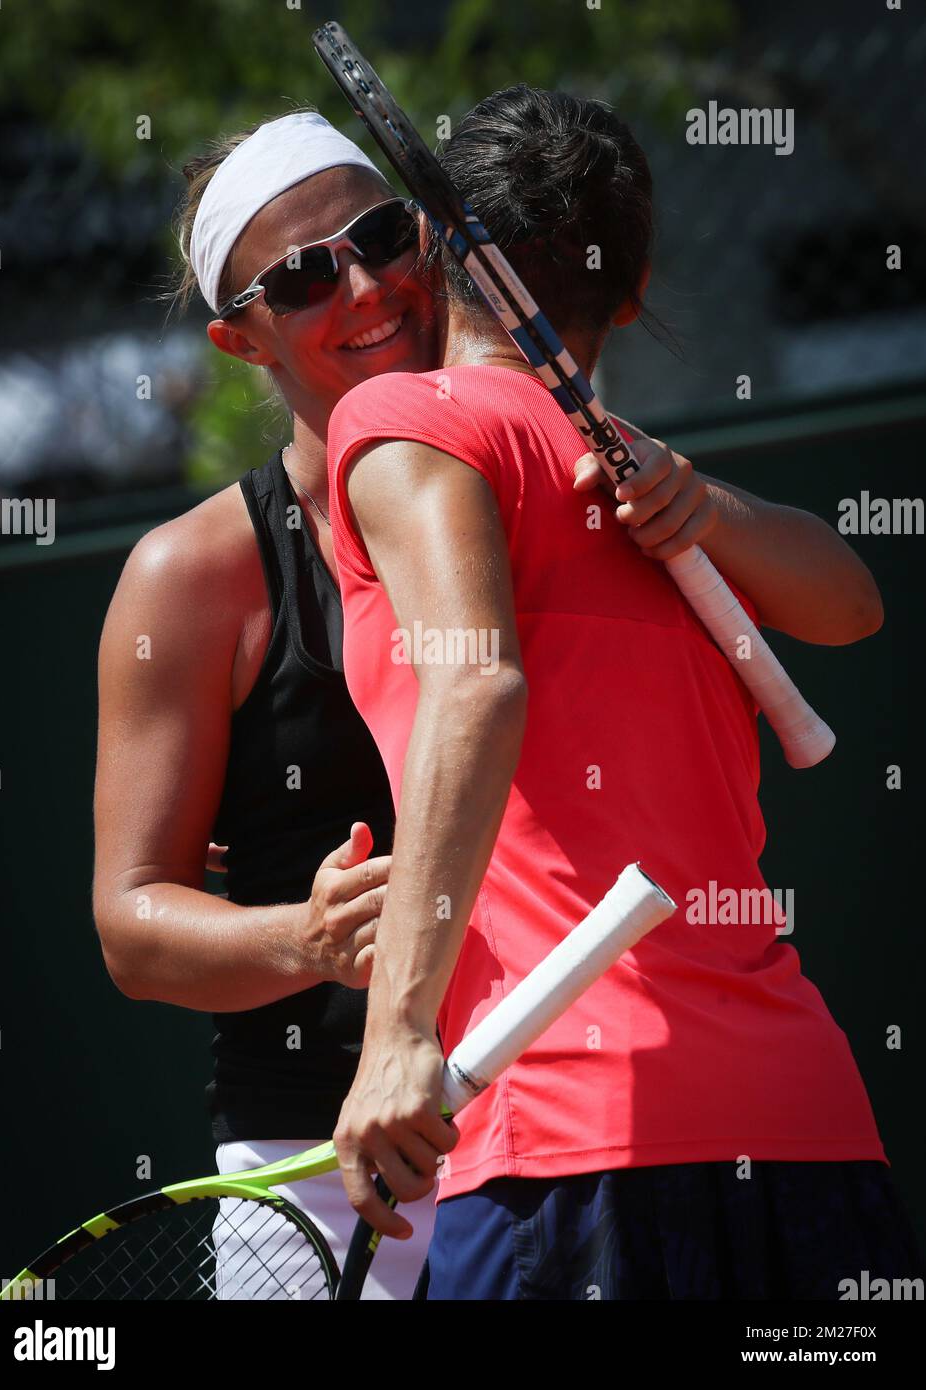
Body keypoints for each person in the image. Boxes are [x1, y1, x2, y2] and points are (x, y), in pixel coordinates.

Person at [326, 86, 922, 1299]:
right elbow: (851, 600)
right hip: (802, 1121)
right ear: (635, 291)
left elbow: (475, 684)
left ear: (436, 252)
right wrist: (709, 508)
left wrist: (395, 1035)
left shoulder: (399, 420)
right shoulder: (659, 487)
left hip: (568, 1148)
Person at [93, 110, 441, 1298]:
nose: (364, 284)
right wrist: (310, 933)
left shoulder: (548, 476)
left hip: (565, 1122)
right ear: (242, 342)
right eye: (300, 277)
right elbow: (133, 923)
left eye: (381, 234)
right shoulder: (190, 575)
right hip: (314, 1165)